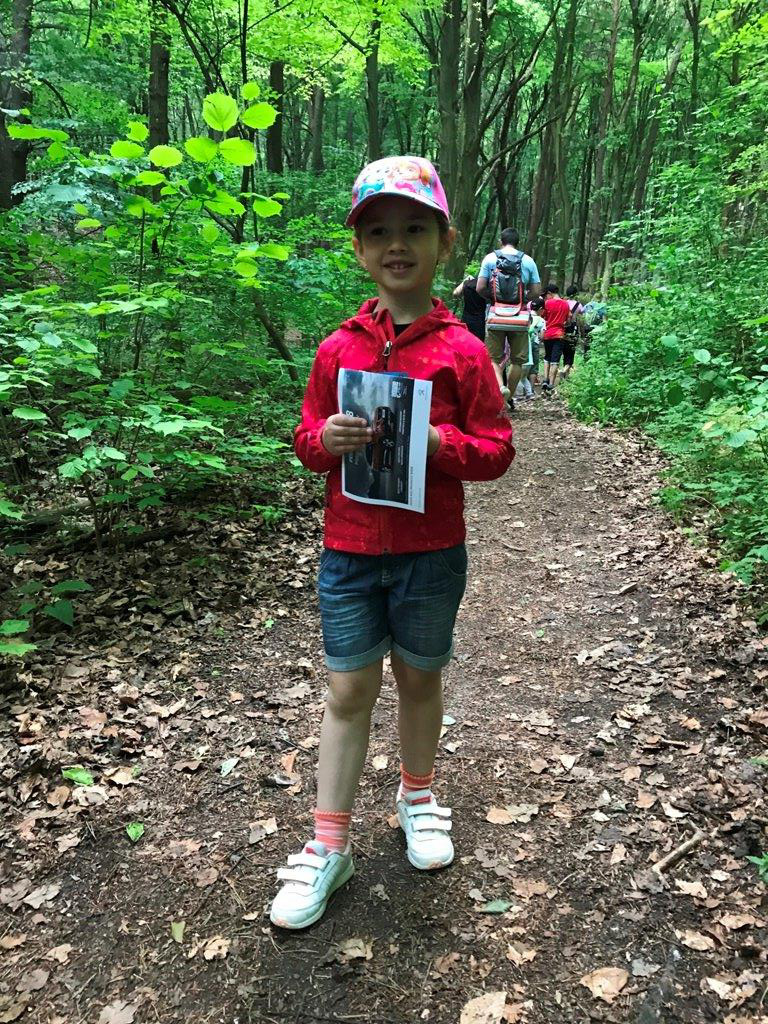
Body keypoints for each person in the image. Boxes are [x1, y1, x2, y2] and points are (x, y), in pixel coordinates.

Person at [272, 156, 514, 930]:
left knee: (418, 678)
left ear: (445, 242)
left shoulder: (463, 352)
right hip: (348, 551)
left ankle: (418, 795)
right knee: (348, 691)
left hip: (430, 552)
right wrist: (326, 441)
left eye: (414, 228)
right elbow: (306, 442)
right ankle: (329, 844)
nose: (397, 244)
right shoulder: (336, 349)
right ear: (360, 249)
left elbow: (497, 450)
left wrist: (442, 444)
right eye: (378, 233)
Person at [476, 228, 541, 403]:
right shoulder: (528, 261)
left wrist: (494, 300)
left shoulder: (490, 259)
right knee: (518, 361)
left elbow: (480, 287)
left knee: (493, 358)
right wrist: (523, 300)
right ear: (518, 242)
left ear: (501, 241)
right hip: (519, 318)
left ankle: (500, 387)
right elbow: (536, 291)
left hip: (495, 316)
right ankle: (508, 397)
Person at [541, 283, 570, 396]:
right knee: (555, 360)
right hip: (559, 334)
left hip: (547, 334)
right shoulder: (565, 304)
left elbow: (543, 316)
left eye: (546, 295)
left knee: (547, 357)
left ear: (550, 293)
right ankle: (551, 384)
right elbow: (568, 320)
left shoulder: (547, 303)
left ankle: (545, 380)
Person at [452, 272, 487, 341]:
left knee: (465, 341)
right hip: (479, 321)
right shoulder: (484, 286)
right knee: (477, 342)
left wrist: (466, 280)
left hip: (466, 318)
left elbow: (455, 293)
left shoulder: (467, 283)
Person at [561, 284, 585, 380]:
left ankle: (565, 374)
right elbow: (582, 317)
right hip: (573, 329)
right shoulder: (578, 305)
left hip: (562, 329)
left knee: (564, 351)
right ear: (575, 294)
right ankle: (565, 370)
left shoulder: (563, 303)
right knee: (571, 352)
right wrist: (583, 333)